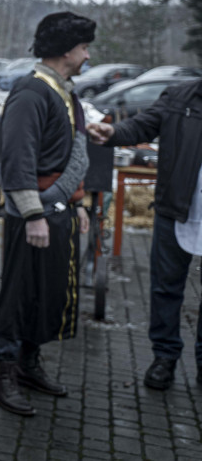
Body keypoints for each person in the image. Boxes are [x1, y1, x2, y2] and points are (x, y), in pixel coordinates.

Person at [0, 11, 94, 417]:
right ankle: (5, 376)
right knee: (19, 295)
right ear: (67, 49)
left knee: (45, 293)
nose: (87, 56)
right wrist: (33, 214)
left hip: (58, 211)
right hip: (32, 215)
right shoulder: (31, 92)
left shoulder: (62, 91)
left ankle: (29, 366)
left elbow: (68, 152)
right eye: (84, 47)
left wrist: (78, 201)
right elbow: (17, 158)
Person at [88, 80, 202, 390]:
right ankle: (164, 357)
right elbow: (144, 125)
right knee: (166, 287)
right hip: (176, 206)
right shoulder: (181, 96)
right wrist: (113, 133)